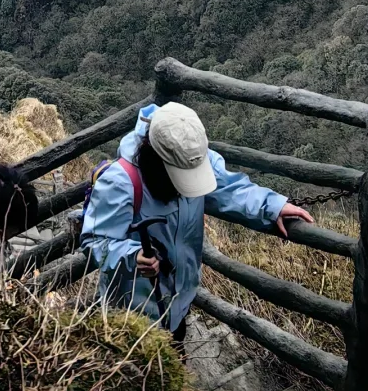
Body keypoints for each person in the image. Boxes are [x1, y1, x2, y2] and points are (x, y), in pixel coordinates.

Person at [80, 102, 314, 343]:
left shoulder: (194, 156)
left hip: (179, 302)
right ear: (157, 158)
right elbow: (95, 241)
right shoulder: (121, 182)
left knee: (174, 354)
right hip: (132, 315)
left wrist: (272, 206)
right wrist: (132, 256)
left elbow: (230, 190)